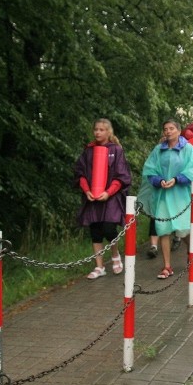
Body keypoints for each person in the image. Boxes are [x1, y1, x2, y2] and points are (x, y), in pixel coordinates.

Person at [138, 120, 193, 279]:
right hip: (163, 196)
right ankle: (166, 266)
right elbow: (150, 171)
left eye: (171, 128)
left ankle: (190, 251)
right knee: (163, 228)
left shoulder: (188, 149)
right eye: (165, 129)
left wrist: (178, 179)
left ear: (179, 131)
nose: (168, 131)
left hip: (182, 195)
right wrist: (159, 181)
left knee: (184, 229)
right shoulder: (158, 150)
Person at [74, 118, 132, 280]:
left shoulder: (117, 150)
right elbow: (81, 174)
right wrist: (87, 191)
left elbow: (122, 176)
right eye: (96, 129)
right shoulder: (88, 151)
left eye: (101, 130)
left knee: (108, 228)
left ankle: (115, 255)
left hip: (110, 196)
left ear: (108, 132)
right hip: (93, 196)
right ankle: (99, 267)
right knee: (95, 230)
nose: (98, 132)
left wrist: (108, 192)